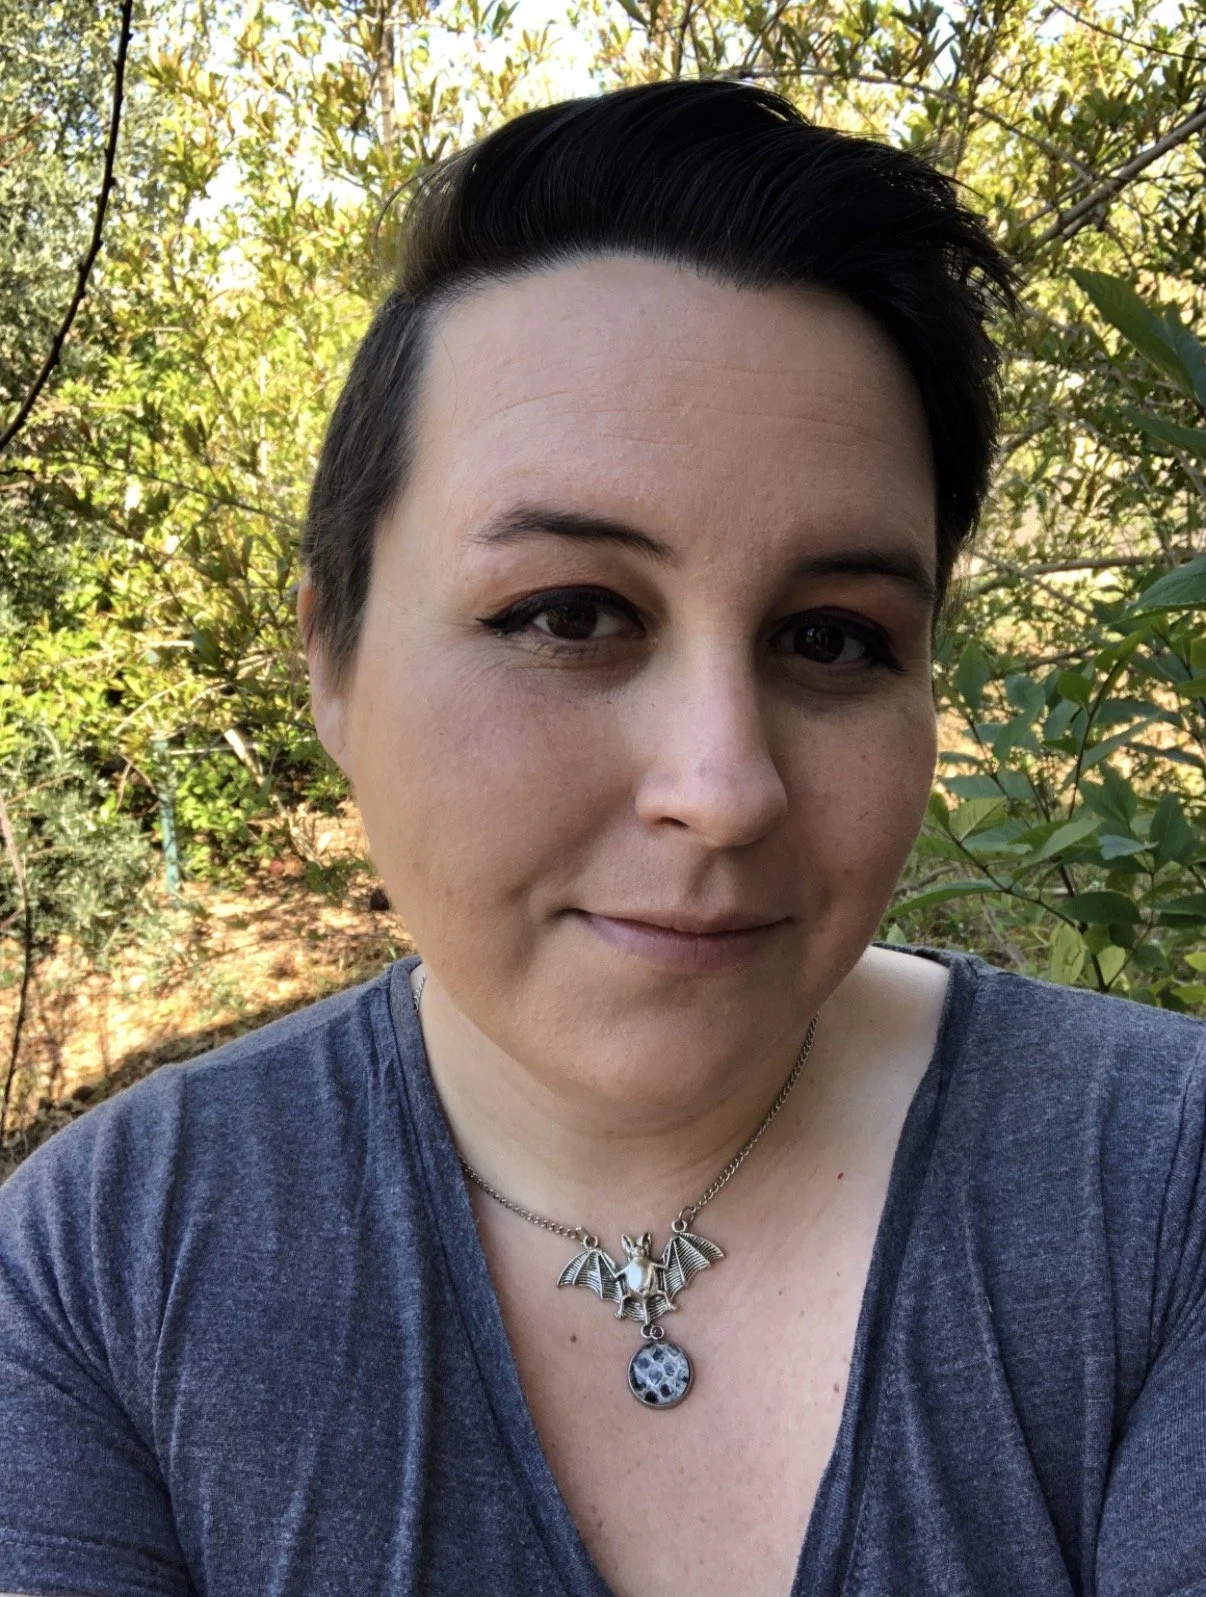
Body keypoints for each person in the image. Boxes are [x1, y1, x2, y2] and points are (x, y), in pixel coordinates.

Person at [0, 78, 1203, 1597]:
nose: (724, 786)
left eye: (832, 639)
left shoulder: (1162, 1193)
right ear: (333, 660)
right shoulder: (102, 1273)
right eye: (568, 614)